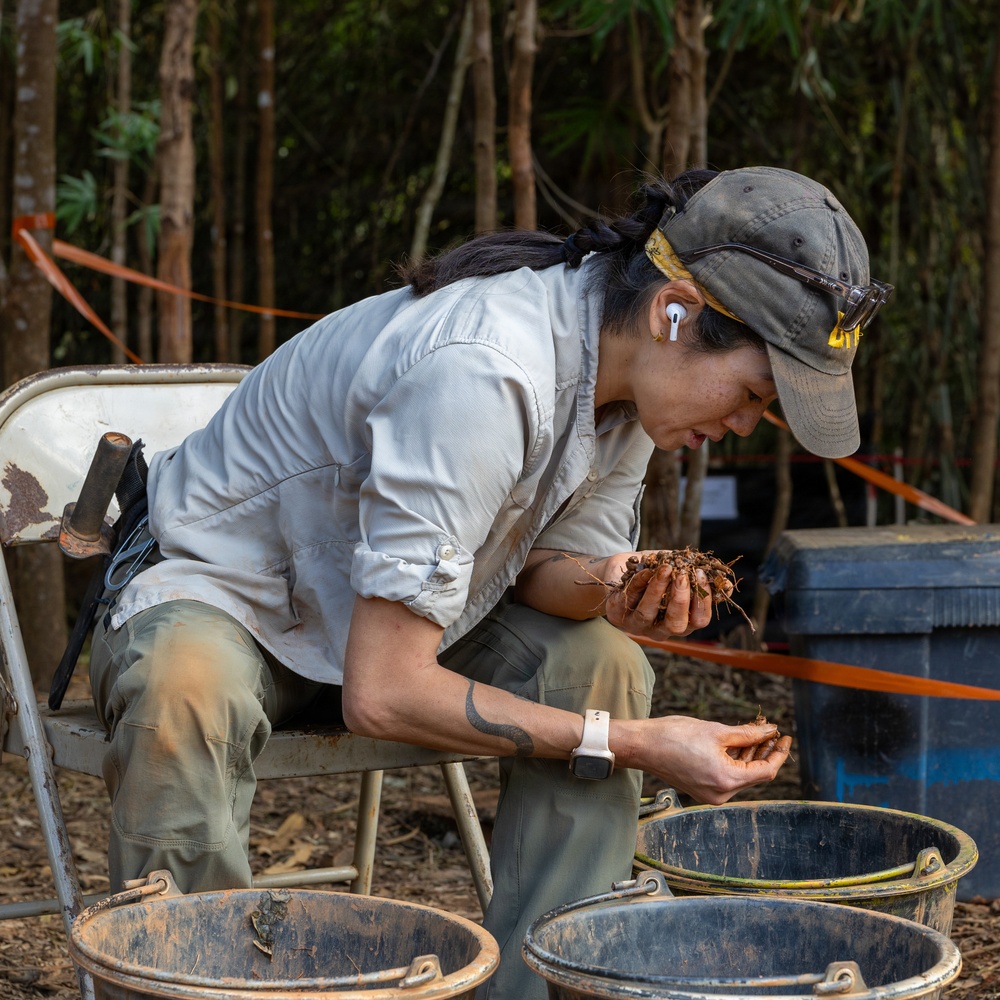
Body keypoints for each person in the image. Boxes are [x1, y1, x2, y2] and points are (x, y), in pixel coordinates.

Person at [89, 164, 889, 999]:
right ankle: (193, 979)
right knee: (183, 692)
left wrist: (608, 582)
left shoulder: (633, 389)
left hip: (394, 623)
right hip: (230, 595)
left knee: (601, 663)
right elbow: (385, 692)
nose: (742, 425)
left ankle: (546, 983)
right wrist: (636, 744)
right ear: (673, 311)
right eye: (754, 392)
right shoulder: (484, 369)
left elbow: (541, 573)